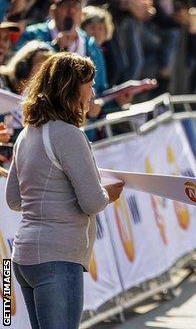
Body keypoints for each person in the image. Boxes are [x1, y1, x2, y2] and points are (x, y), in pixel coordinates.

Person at [5, 52, 124, 329]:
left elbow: (13, 199)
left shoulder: (26, 134)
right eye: (89, 85)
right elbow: (93, 202)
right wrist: (109, 194)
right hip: (56, 258)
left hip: (24, 258)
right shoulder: (69, 135)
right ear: (71, 88)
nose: (93, 93)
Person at [14, 0, 109, 95]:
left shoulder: (90, 45)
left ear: (81, 14)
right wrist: (54, 47)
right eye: (65, 6)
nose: (71, 11)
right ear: (52, 11)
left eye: (76, 7)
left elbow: (101, 89)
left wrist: (102, 104)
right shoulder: (33, 35)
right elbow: (18, 72)